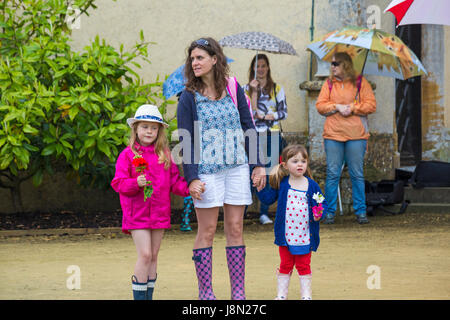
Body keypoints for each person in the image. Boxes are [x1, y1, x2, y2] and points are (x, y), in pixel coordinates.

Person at [176, 37, 266, 300]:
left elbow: (248, 126)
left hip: (237, 167)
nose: (195, 63)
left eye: (200, 57)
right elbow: (186, 138)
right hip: (206, 171)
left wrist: (258, 164)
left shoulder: (233, 86)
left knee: (236, 227)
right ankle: (206, 294)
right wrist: (191, 178)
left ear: (215, 59)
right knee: (206, 230)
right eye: (192, 58)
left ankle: (238, 293)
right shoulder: (188, 97)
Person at [111, 104, 190, 300]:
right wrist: (135, 183)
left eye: (154, 128)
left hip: (160, 212)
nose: (149, 131)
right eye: (145, 127)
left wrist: (192, 190)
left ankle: (148, 296)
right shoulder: (127, 155)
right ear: (136, 129)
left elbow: (174, 181)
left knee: (154, 256)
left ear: (159, 131)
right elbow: (118, 183)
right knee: (145, 254)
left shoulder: (164, 154)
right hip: (136, 214)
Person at [257, 144, 327, 300]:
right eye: (295, 161)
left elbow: (321, 202)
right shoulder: (282, 184)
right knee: (286, 265)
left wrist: (319, 212)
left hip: (305, 235)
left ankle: (306, 295)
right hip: (286, 236)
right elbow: (268, 199)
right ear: (285, 165)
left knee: (303, 265)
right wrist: (258, 187)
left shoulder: (312, 185)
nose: (300, 164)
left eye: (303, 161)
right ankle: (281, 295)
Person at [316, 52, 376, 225]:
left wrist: (353, 107)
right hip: (333, 134)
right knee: (332, 174)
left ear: (346, 65)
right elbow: (320, 105)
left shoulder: (360, 82)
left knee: (357, 173)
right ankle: (329, 213)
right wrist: (336, 106)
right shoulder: (328, 84)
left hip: (356, 134)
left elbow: (371, 104)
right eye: (332, 64)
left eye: (336, 63)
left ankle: (361, 211)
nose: (332, 66)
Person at [243, 54, 288, 225]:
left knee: (269, 173)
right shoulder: (245, 89)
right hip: (253, 135)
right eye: (257, 66)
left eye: (263, 66)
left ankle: (264, 213)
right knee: (248, 173)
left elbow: (284, 112)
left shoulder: (276, 89)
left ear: (268, 68)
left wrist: (271, 115)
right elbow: (247, 114)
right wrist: (253, 93)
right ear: (252, 69)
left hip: (272, 135)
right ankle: (242, 212)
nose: (260, 69)